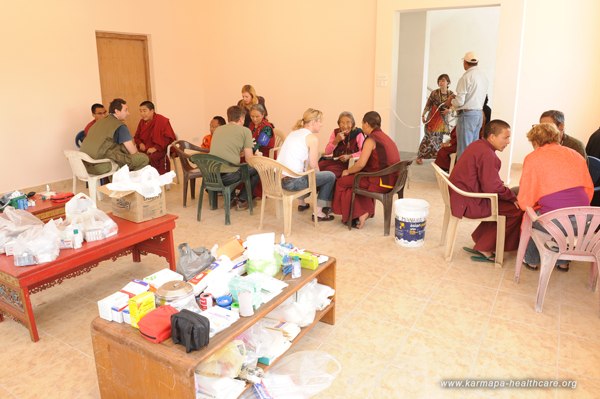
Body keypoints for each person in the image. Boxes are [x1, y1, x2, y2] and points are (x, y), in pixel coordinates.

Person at [517, 123, 593, 271]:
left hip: (555, 223)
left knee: (530, 217)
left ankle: (532, 260)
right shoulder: (576, 155)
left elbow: (525, 200)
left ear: (535, 141)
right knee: (562, 216)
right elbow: (588, 189)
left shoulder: (533, 158)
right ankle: (563, 262)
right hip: (585, 221)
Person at [449, 119, 523, 263]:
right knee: (515, 210)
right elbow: (492, 188)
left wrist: (505, 191)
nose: (508, 142)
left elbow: (489, 183)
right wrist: (512, 197)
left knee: (506, 201)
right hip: (469, 202)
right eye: (505, 137)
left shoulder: (478, 145)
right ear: (492, 137)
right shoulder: (488, 154)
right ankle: (485, 246)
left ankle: (481, 240)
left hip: (460, 197)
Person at [332, 111, 400, 229]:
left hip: (382, 182)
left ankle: (351, 215)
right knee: (353, 182)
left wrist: (347, 171)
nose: (362, 126)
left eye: (363, 123)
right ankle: (361, 212)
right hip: (394, 179)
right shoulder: (385, 137)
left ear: (367, 124)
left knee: (342, 182)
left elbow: (361, 164)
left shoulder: (370, 140)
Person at [277, 108, 335, 221]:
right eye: (320, 121)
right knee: (330, 176)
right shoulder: (312, 138)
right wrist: (319, 180)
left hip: (278, 180)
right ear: (313, 122)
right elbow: (313, 165)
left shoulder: (293, 133)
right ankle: (319, 213)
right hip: (291, 183)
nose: (321, 125)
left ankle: (302, 203)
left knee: (302, 172)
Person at [209, 105, 259, 210]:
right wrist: (257, 156)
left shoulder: (218, 130)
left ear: (228, 118)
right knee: (257, 169)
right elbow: (249, 159)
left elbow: (225, 150)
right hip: (228, 177)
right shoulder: (245, 131)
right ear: (241, 119)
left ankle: (232, 198)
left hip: (211, 175)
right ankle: (242, 200)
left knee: (232, 166)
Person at [80, 98, 149, 174]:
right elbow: (133, 152)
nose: (128, 113)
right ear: (117, 111)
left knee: (116, 153)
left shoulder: (97, 123)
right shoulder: (120, 126)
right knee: (143, 158)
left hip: (84, 165)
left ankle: (118, 180)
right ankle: (130, 183)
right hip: (99, 166)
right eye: (125, 110)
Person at [445, 51, 488, 159]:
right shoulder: (483, 76)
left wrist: (451, 101)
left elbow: (460, 101)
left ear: (465, 62)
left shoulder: (466, 77)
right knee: (473, 149)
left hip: (467, 115)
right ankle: (471, 175)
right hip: (478, 114)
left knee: (464, 150)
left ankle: (463, 175)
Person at [434, 96, 491, 172]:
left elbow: (460, 134)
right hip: (477, 138)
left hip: (464, 141)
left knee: (443, 152)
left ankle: (451, 170)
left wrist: (450, 143)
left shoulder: (469, 112)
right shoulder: (480, 112)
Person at [416, 74, 454, 165]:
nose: (441, 82)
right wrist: (423, 115)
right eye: (440, 80)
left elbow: (455, 106)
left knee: (438, 140)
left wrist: (449, 110)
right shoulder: (434, 93)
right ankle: (420, 156)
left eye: (443, 80)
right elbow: (428, 104)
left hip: (443, 121)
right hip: (432, 118)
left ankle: (437, 158)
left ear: (448, 82)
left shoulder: (451, 94)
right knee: (428, 138)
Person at [134, 101, 177, 175]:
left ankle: (156, 178)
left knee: (151, 158)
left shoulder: (161, 120)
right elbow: (136, 136)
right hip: (144, 149)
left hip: (160, 149)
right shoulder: (142, 122)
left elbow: (167, 138)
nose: (142, 114)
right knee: (136, 159)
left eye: (144, 111)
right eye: (140, 111)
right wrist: (140, 143)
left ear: (152, 111)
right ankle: (143, 179)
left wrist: (155, 148)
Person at [318, 111, 365, 178]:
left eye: (348, 122)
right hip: (335, 161)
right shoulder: (335, 132)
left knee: (328, 172)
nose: (345, 126)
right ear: (339, 124)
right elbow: (327, 152)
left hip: (349, 163)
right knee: (319, 166)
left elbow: (363, 152)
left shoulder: (358, 133)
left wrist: (350, 156)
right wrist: (336, 141)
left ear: (353, 123)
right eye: (342, 123)